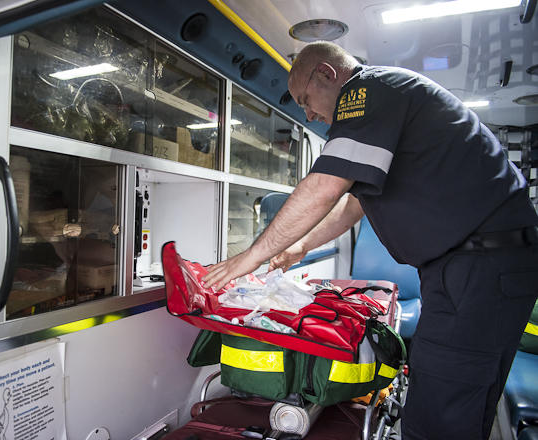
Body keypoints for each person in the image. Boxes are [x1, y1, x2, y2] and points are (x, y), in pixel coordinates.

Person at [202, 41, 538, 440]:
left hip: (479, 263)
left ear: (328, 73)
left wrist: (251, 257)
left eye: (306, 99)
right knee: (456, 401)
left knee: (439, 412)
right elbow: (352, 205)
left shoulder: (371, 90)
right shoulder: (385, 117)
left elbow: (325, 187)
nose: (309, 114)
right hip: (475, 264)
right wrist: (301, 245)